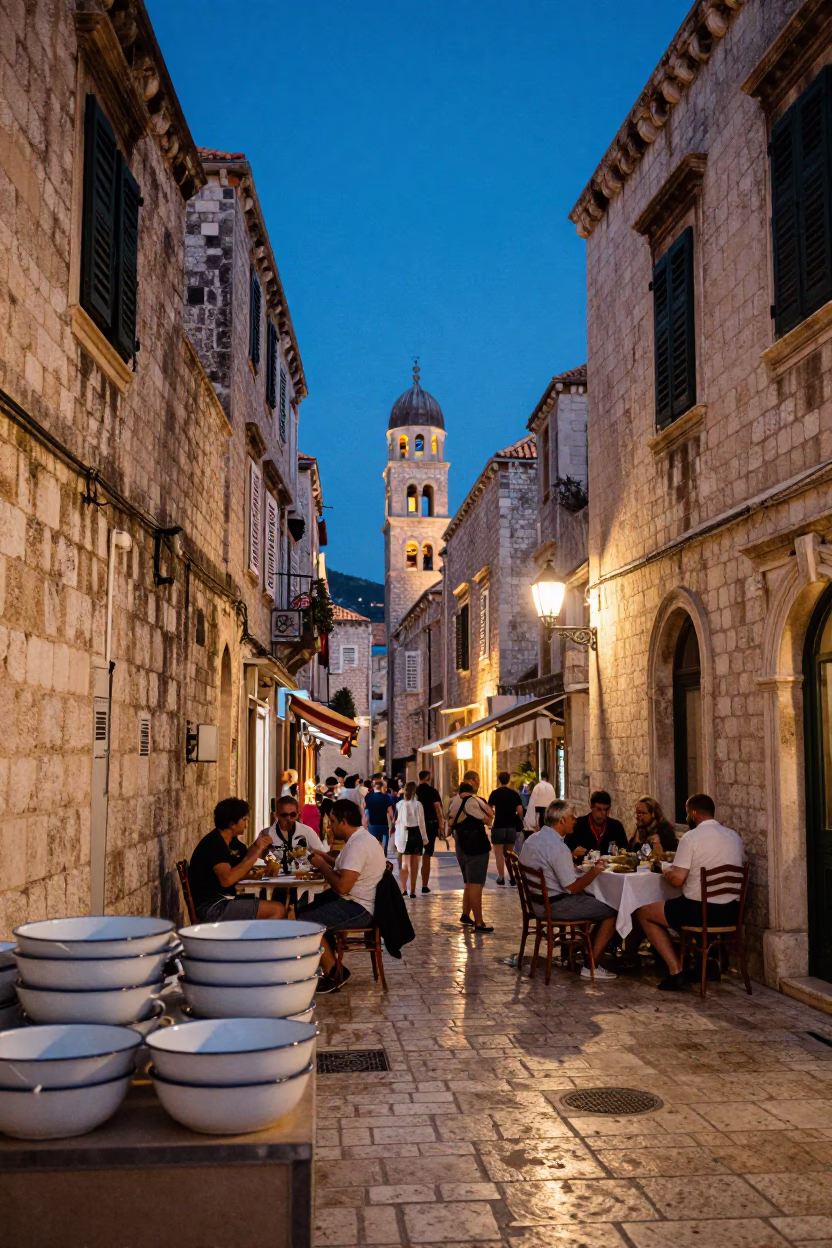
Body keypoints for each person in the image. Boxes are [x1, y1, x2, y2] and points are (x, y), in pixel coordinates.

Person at [635, 793, 745, 992]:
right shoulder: (734, 836)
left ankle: (676, 970)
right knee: (680, 905)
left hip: (700, 912)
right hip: (731, 912)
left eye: (687, 814)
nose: (687, 818)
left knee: (644, 913)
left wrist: (665, 871)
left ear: (693, 813)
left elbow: (677, 881)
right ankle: (699, 961)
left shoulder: (691, 837)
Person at [519, 800, 618, 979]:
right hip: (555, 905)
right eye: (572, 817)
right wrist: (595, 871)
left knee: (592, 898)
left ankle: (583, 947)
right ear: (562, 820)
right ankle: (592, 965)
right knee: (613, 911)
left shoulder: (533, 839)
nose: (575, 821)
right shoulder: (558, 847)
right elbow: (572, 888)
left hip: (537, 903)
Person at [303, 799, 388, 994]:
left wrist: (321, 866)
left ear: (343, 821)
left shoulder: (359, 845)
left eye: (332, 821)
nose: (330, 827)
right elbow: (345, 868)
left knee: (307, 922)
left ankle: (334, 971)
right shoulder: (359, 839)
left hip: (361, 908)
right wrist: (323, 857)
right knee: (308, 908)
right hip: (356, 901)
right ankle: (332, 965)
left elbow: (342, 886)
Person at [188, 797, 286, 922]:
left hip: (224, 901)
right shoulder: (214, 845)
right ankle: (256, 941)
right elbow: (227, 879)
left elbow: (242, 864)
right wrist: (257, 851)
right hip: (213, 908)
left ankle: (253, 939)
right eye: (244, 819)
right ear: (232, 824)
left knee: (277, 897)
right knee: (277, 909)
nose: (247, 822)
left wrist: (257, 846)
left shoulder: (230, 842)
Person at [447, 775, 495, 932]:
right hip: (476, 847)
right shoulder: (473, 802)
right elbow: (489, 819)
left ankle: (465, 914)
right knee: (476, 883)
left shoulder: (455, 801)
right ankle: (479, 922)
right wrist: (481, 802)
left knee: (469, 881)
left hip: (462, 845)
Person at [566, 790, 628, 860]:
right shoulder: (578, 825)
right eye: (599, 809)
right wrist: (572, 854)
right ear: (591, 808)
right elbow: (565, 851)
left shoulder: (616, 826)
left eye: (606, 809)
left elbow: (626, 851)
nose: (603, 813)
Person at [487, 771, 523, 885]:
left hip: (498, 826)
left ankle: (501, 877)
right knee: (510, 853)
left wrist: (493, 815)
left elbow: (489, 809)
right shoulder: (514, 794)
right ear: (509, 780)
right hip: (511, 826)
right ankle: (513, 876)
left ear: (499, 780)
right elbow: (520, 811)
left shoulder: (494, 793)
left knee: (498, 853)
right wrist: (515, 817)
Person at [394, 781, 428, 898]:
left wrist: (397, 839)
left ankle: (403, 888)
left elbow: (396, 822)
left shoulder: (399, 804)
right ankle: (412, 890)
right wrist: (425, 838)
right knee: (415, 863)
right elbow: (421, 822)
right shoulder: (418, 804)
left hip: (404, 834)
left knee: (404, 863)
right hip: (416, 833)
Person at [416, 769, 444, 894]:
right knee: (426, 856)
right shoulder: (433, 792)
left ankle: (409, 887)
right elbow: (438, 808)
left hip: (415, 827)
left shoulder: (414, 792)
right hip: (430, 826)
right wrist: (441, 826)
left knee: (413, 856)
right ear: (427, 777)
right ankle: (424, 885)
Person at [364, 779, 395, 854]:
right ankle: (383, 861)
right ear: (381, 786)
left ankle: (375, 862)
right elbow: (390, 812)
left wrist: (365, 823)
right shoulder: (386, 797)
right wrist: (393, 823)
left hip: (372, 825)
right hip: (383, 825)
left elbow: (365, 811)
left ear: (373, 786)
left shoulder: (368, 797)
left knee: (373, 846)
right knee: (384, 847)